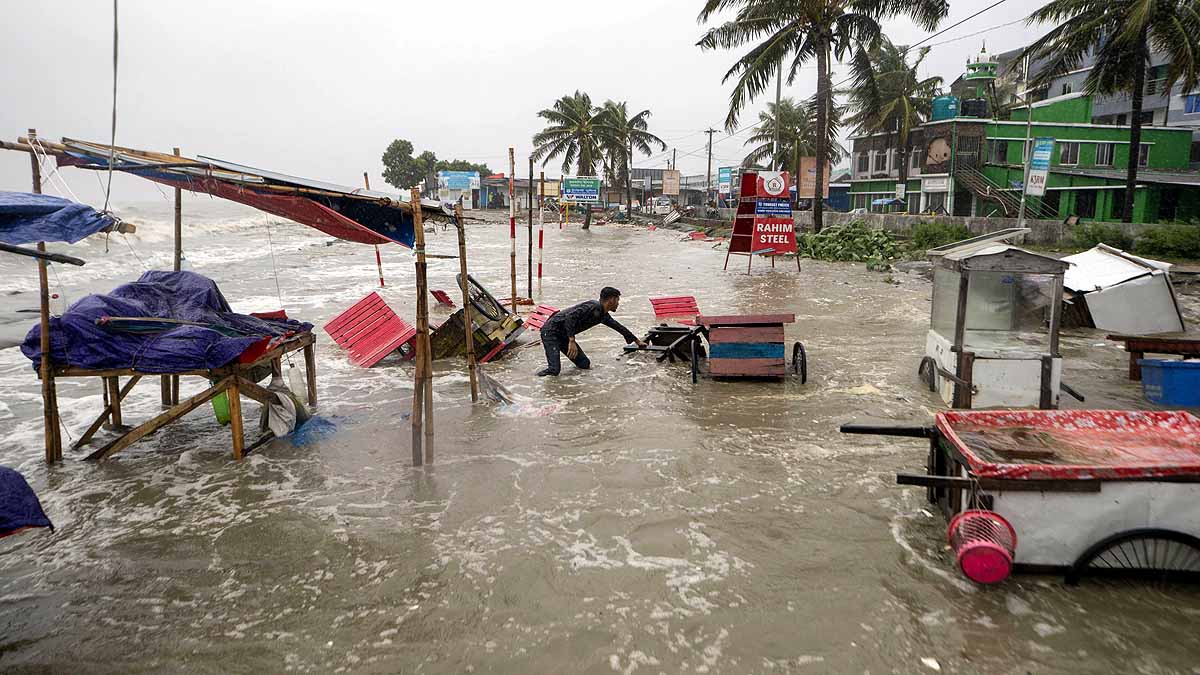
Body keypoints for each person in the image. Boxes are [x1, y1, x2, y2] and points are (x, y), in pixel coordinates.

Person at [537, 287, 646, 376]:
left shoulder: (603, 315)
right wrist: (571, 340)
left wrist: (637, 342)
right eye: (617, 300)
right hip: (550, 331)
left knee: (584, 364)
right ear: (611, 300)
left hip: (563, 335)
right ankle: (534, 381)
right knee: (554, 370)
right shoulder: (593, 306)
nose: (618, 304)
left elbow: (619, 327)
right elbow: (570, 317)